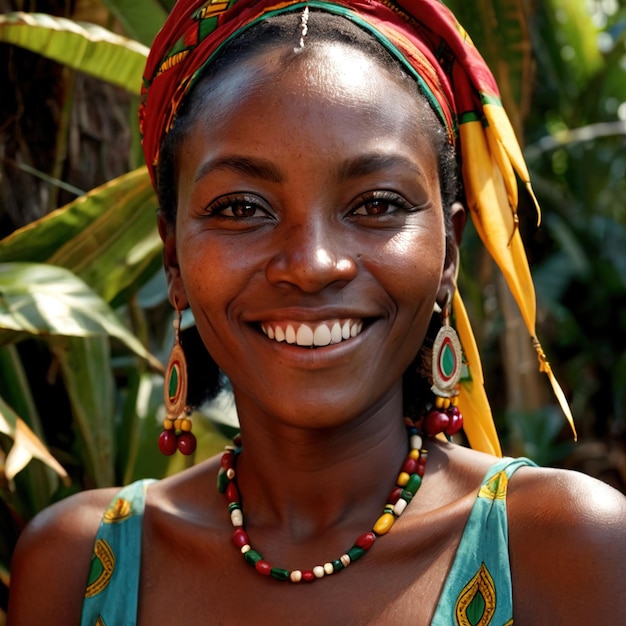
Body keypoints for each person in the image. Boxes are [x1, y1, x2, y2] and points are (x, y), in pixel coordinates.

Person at [8, 0, 626, 624]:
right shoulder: (76, 564)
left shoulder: (566, 549)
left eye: (377, 203)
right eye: (242, 208)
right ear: (174, 260)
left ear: (448, 253)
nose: (310, 263)